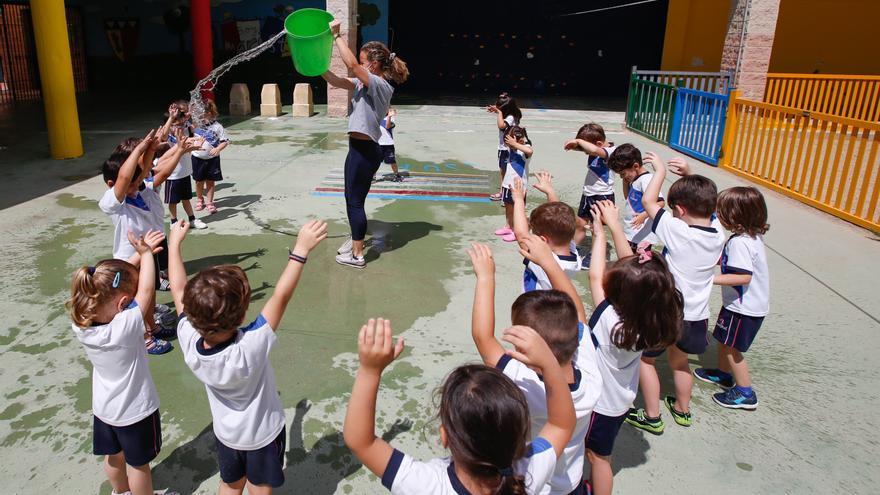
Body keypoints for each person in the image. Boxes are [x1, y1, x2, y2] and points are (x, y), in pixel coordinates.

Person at [166, 218, 327, 494]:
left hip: (227, 436)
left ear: (193, 317)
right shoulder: (250, 345)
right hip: (263, 436)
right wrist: (300, 250)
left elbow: (178, 289)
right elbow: (281, 296)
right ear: (241, 316)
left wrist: (174, 244)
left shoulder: (190, 341)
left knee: (230, 484)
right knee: (260, 486)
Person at [344, 318, 575, 494]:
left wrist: (369, 370)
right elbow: (561, 425)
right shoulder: (528, 472)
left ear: (444, 436)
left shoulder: (428, 486)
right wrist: (549, 363)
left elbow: (361, 441)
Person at [468, 239, 602, 495]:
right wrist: (550, 263)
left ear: (527, 351)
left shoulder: (525, 385)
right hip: (571, 482)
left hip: (534, 483)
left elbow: (483, 337)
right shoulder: (589, 365)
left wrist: (485, 277)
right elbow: (579, 315)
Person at [68, 231, 179, 495]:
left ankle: (121, 492)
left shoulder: (81, 323)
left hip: (104, 409)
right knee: (139, 465)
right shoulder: (125, 326)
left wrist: (137, 257)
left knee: (113, 457)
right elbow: (147, 290)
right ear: (123, 303)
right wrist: (146, 255)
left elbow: (108, 283)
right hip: (135, 410)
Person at [583, 201, 681, 495]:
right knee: (603, 454)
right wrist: (613, 226)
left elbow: (595, 277)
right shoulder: (654, 318)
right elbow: (638, 275)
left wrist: (600, 235)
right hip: (620, 401)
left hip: (598, 404)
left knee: (597, 458)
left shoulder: (612, 322)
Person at [625, 154, 725, 433]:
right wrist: (689, 174)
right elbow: (707, 208)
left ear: (679, 210)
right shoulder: (718, 233)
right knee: (680, 362)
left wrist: (658, 171)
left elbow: (648, 201)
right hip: (696, 316)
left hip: (665, 312)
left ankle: (652, 416)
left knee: (647, 360)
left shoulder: (678, 231)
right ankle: (682, 409)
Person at [98, 130, 199, 354]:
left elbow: (152, 172)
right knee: (136, 299)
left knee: (149, 291)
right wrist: (141, 148)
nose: (136, 184)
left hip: (149, 252)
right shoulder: (114, 202)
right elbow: (125, 179)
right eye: (131, 183)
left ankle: (152, 325)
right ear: (113, 183)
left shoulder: (142, 190)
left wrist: (168, 150)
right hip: (129, 258)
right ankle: (143, 336)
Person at [322, 20, 409, 268]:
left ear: (372, 64)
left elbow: (350, 65)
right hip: (359, 149)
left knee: (354, 202)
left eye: (363, 61)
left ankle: (357, 254)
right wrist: (316, 64)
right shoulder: (363, 82)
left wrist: (337, 36)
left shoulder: (380, 85)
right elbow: (336, 80)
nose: (358, 64)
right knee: (354, 199)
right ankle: (356, 240)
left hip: (365, 151)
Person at [693, 187, 770, 410]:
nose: (718, 214)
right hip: (744, 306)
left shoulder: (740, 243)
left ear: (736, 216)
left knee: (733, 349)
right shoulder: (750, 236)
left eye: (722, 212)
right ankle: (723, 374)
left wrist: (709, 281)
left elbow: (744, 276)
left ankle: (746, 392)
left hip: (743, 308)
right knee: (724, 341)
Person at [511, 172, 581, 292]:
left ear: (544, 240)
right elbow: (560, 217)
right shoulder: (572, 252)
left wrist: (518, 200)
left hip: (532, 307)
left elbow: (521, 235)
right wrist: (550, 191)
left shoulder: (543, 261)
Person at [563, 123, 616, 248]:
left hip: (603, 195)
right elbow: (589, 148)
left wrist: (578, 140)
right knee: (580, 223)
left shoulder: (611, 151)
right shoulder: (596, 147)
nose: (585, 152)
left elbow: (593, 150)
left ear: (598, 143)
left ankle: (595, 254)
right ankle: (572, 249)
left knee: (596, 228)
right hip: (588, 193)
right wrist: (574, 145)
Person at [606, 144, 665, 252]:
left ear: (636, 166)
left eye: (623, 173)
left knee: (638, 262)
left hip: (642, 235)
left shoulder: (646, 180)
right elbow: (628, 198)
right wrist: (625, 182)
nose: (622, 177)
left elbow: (660, 203)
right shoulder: (636, 179)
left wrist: (644, 215)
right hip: (633, 232)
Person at [158, 100, 208, 229]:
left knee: (186, 198)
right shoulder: (170, 131)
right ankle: (173, 222)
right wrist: (171, 117)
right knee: (173, 201)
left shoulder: (186, 127)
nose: (186, 115)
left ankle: (192, 220)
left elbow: (193, 124)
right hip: (172, 173)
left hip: (185, 171)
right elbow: (163, 136)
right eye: (184, 113)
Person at [192, 99, 230, 215]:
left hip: (212, 159)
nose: (201, 116)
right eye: (199, 114)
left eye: (203, 113)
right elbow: (187, 137)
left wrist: (218, 148)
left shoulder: (217, 127)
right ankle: (199, 199)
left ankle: (210, 202)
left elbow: (225, 141)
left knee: (210, 182)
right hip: (197, 157)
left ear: (210, 113)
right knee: (199, 181)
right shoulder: (195, 126)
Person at [497, 126, 533, 242]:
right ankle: (509, 226)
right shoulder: (511, 148)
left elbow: (530, 151)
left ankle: (517, 231)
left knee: (518, 208)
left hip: (519, 186)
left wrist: (515, 143)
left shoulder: (525, 148)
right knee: (508, 206)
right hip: (508, 183)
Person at [487, 92, 522, 202]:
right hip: (505, 148)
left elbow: (501, 125)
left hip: (507, 149)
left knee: (505, 171)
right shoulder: (510, 115)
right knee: (504, 170)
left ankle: (504, 193)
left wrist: (499, 112)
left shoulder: (510, 117)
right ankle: (505, 190)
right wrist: (497, 110)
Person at [377, 107, 402, 182]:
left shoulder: (391, 118)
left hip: (388, 144)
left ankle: (397, 175)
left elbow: (387, 126)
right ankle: (372, 176)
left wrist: (389, 116)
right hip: (378, 144)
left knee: (392, 161)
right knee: (376, 161)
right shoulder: (378, 117)